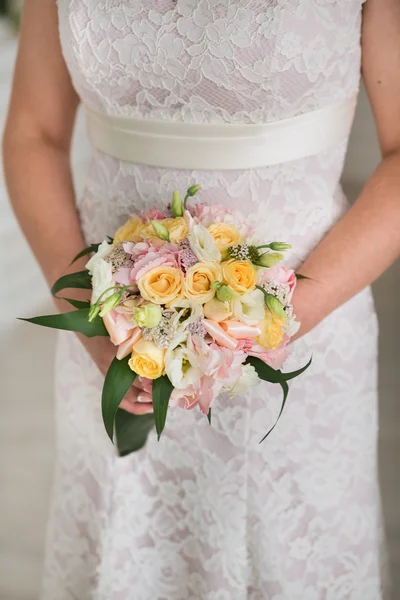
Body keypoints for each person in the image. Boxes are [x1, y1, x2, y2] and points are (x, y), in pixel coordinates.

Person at [3, 1, 399, 598]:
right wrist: (94, 317)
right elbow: (35, 134)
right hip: (113, 342)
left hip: (301, 342)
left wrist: (276, 321)